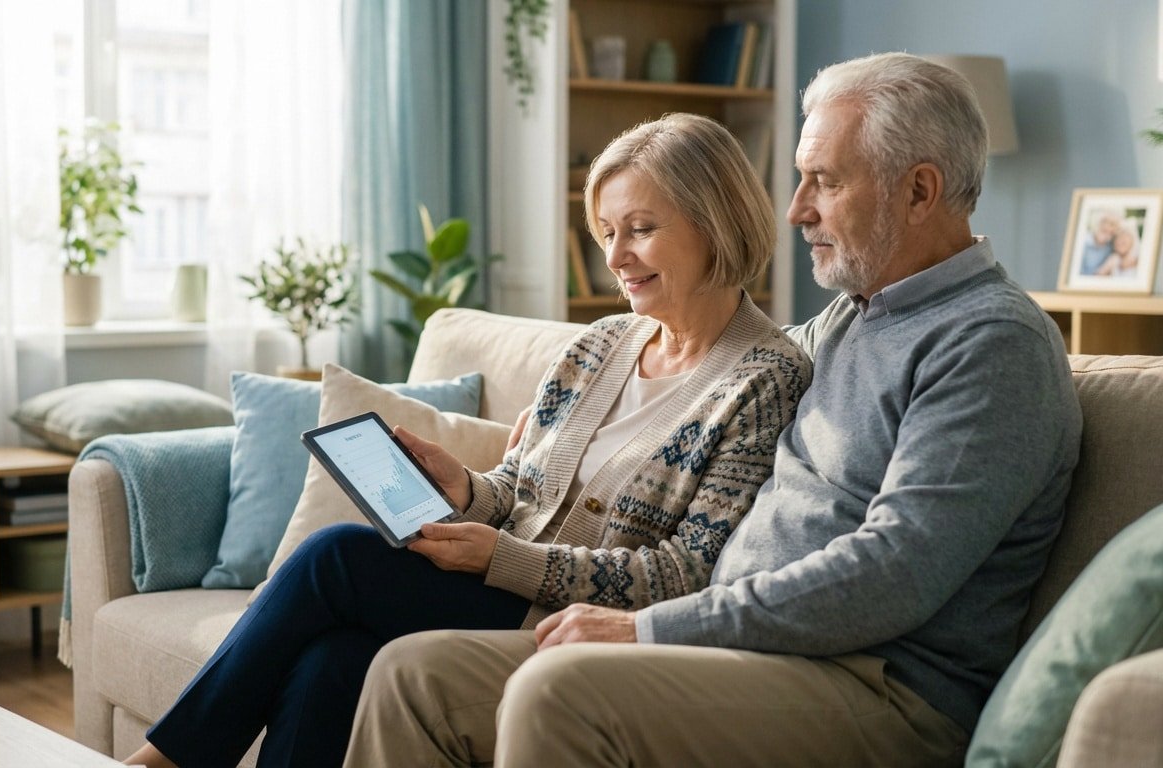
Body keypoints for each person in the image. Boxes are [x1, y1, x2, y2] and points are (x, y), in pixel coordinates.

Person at [346, 52, 1083, 768]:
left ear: (920, 192)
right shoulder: (854, 318)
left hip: (877, 684)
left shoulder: (992, 344)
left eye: (822, 182)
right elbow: (717, 381)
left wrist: (653, 628)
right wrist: (519, 469)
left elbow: (893, 575)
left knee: (558, 690)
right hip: (752, 647)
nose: (797, 209)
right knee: (415, 675)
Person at [122, 112, 812, 768]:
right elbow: (517, 487)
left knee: (335, 556)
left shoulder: (765, 377)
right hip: (510, 583)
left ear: (713, 221)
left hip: (587, 618)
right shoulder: (598, 345)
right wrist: (466, 490)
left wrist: (505, 559)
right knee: (333, 658)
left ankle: (170, 758)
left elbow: (688, 572)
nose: (616, 255)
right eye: (606, 230)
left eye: (640, 228)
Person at [1079, 209, 1121, 275]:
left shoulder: (1110, 246)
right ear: (1098, 224)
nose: (1109, 227)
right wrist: (1103, 271)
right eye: (1104, 230)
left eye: (1111, 232)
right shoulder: (1082, 242)